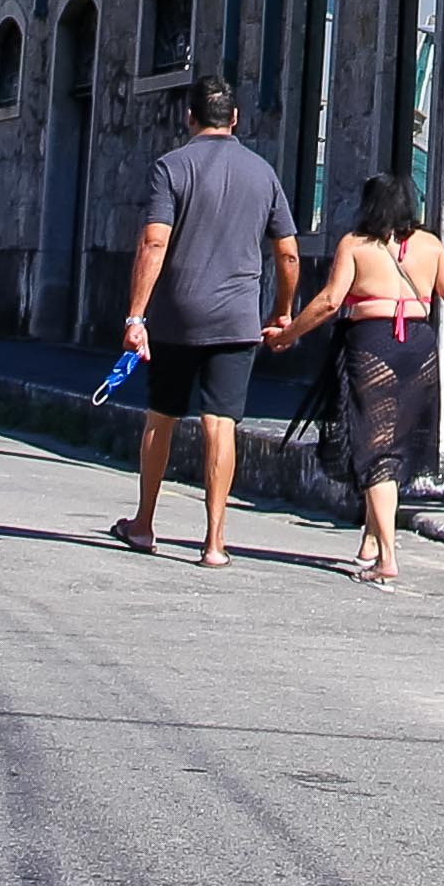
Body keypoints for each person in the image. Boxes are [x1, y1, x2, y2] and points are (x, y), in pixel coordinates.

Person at [264, 169, 444, 586]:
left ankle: (387, 555)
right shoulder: (430, 245)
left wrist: (288, 334)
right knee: (395, 442)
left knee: (374, 451)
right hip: (419, 347)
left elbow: (331, 301)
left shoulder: (355, 246)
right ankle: (372, 537)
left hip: (372, 344)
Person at [115, 82, 303, 567]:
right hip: (238, 319)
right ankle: (215, 542)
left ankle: (144, 523)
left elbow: (154, 243)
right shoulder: (263, 174)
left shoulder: (172, 167)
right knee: (222, 425)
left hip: (177, 315)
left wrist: (137, 316)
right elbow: (288, 252)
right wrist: (283, 310)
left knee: (162, 417)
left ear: (189, 117)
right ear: (235, 117)